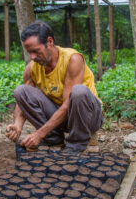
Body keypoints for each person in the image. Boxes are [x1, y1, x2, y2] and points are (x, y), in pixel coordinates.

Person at [6, 21, 103, 153]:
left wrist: (39, 134)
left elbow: (68, 104)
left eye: (36, 51)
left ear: (49, 42)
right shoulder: (32, 68)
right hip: (62, 118)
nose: (32, 57)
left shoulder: (72, 59)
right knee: (21, 91)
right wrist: (17, 124)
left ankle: (76, 145)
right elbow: (22, 102)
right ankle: (54, 139)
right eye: (29, 52)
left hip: (87, 116)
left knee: (78, 92)